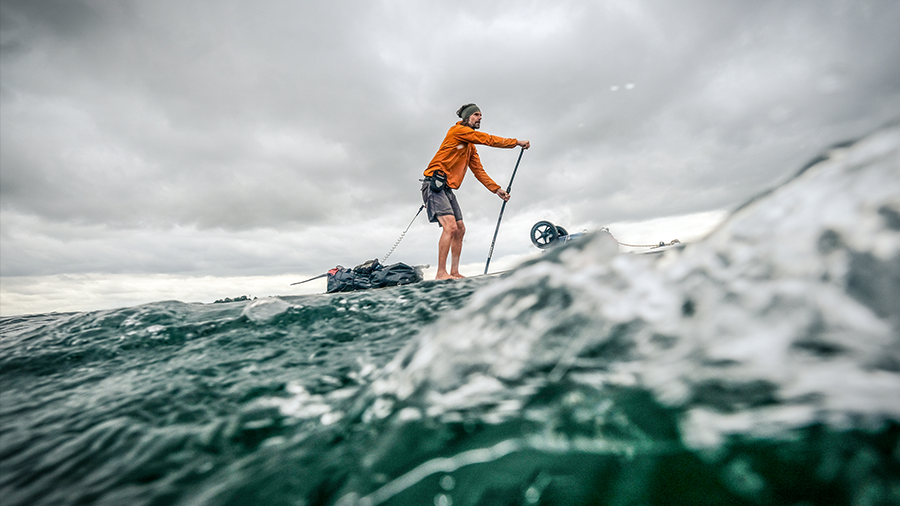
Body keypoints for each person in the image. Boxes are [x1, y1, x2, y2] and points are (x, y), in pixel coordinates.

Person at [421, 103, 530, 280]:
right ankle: (441, 273)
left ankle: (454, 272)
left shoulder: (470, 146)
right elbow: (488, 139)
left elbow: (478, 170)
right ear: (467, 117)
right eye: (476, 115)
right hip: (434, 185)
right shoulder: (457, 132)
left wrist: (496, 189)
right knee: (450, 226)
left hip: (447, 188)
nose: (480, 118)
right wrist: (516, 142)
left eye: (481, 115)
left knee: (460, 229)